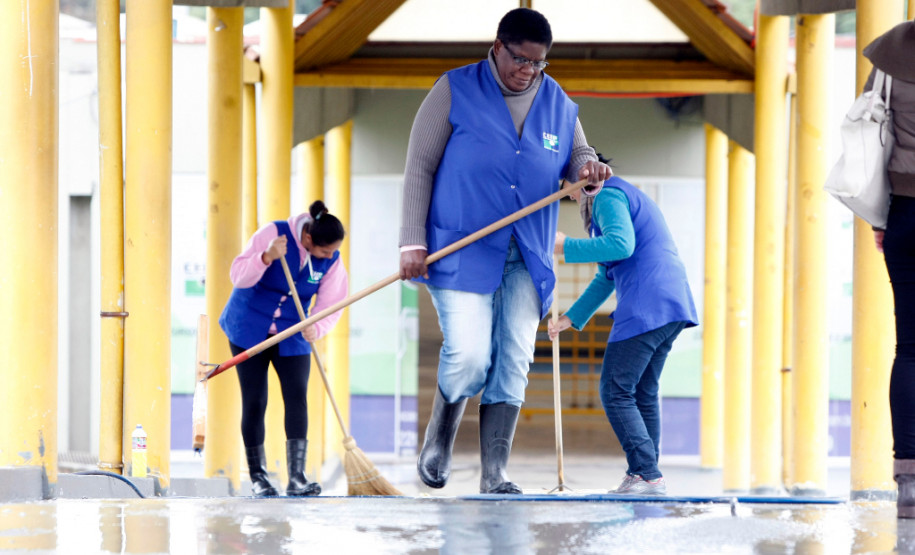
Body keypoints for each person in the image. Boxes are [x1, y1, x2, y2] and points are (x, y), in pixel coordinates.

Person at [399, 7, 612, 494]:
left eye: (539, 63)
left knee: (514, 358)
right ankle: (440, 436)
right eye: (520, 59)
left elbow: (578, 159)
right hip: (460, 250)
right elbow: (419, 167)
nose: (528, 71)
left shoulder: (558, 103)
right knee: (471, 355)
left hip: (528, 253)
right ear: (497, 47)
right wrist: (412, 240)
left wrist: (588, 172)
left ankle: (495, 473)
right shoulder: (453, 90)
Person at [548, 161, 697, 495]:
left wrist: (565, 246)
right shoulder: (620, 199)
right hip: (671, 304)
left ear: (581, 179)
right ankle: (645, 475)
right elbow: (607, 274)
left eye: (566, 189)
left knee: (615, 390)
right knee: (642, 392)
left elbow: (621, 246)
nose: (569, 198)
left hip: (647, 304)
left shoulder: (607, 195)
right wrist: (569, 318)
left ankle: (647, 474)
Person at [219, 201, 347, 497]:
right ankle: (258, 477)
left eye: (333, 252)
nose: (330, 256)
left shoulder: (332, 261)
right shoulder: (273, 233)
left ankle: (297, 478)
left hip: (292, 331)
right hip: (248, 328)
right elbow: (238, 276)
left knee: (297, 398)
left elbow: (332, 303)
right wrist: (265, 257)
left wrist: (317, 327)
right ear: (307, 239)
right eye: (325, 251)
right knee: (255, 400)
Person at [866, 19, 915, 519]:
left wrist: (882, 218)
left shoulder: (890, 56)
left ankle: (908, 482)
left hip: (904, 212)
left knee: (910, 349)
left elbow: (869, 136)